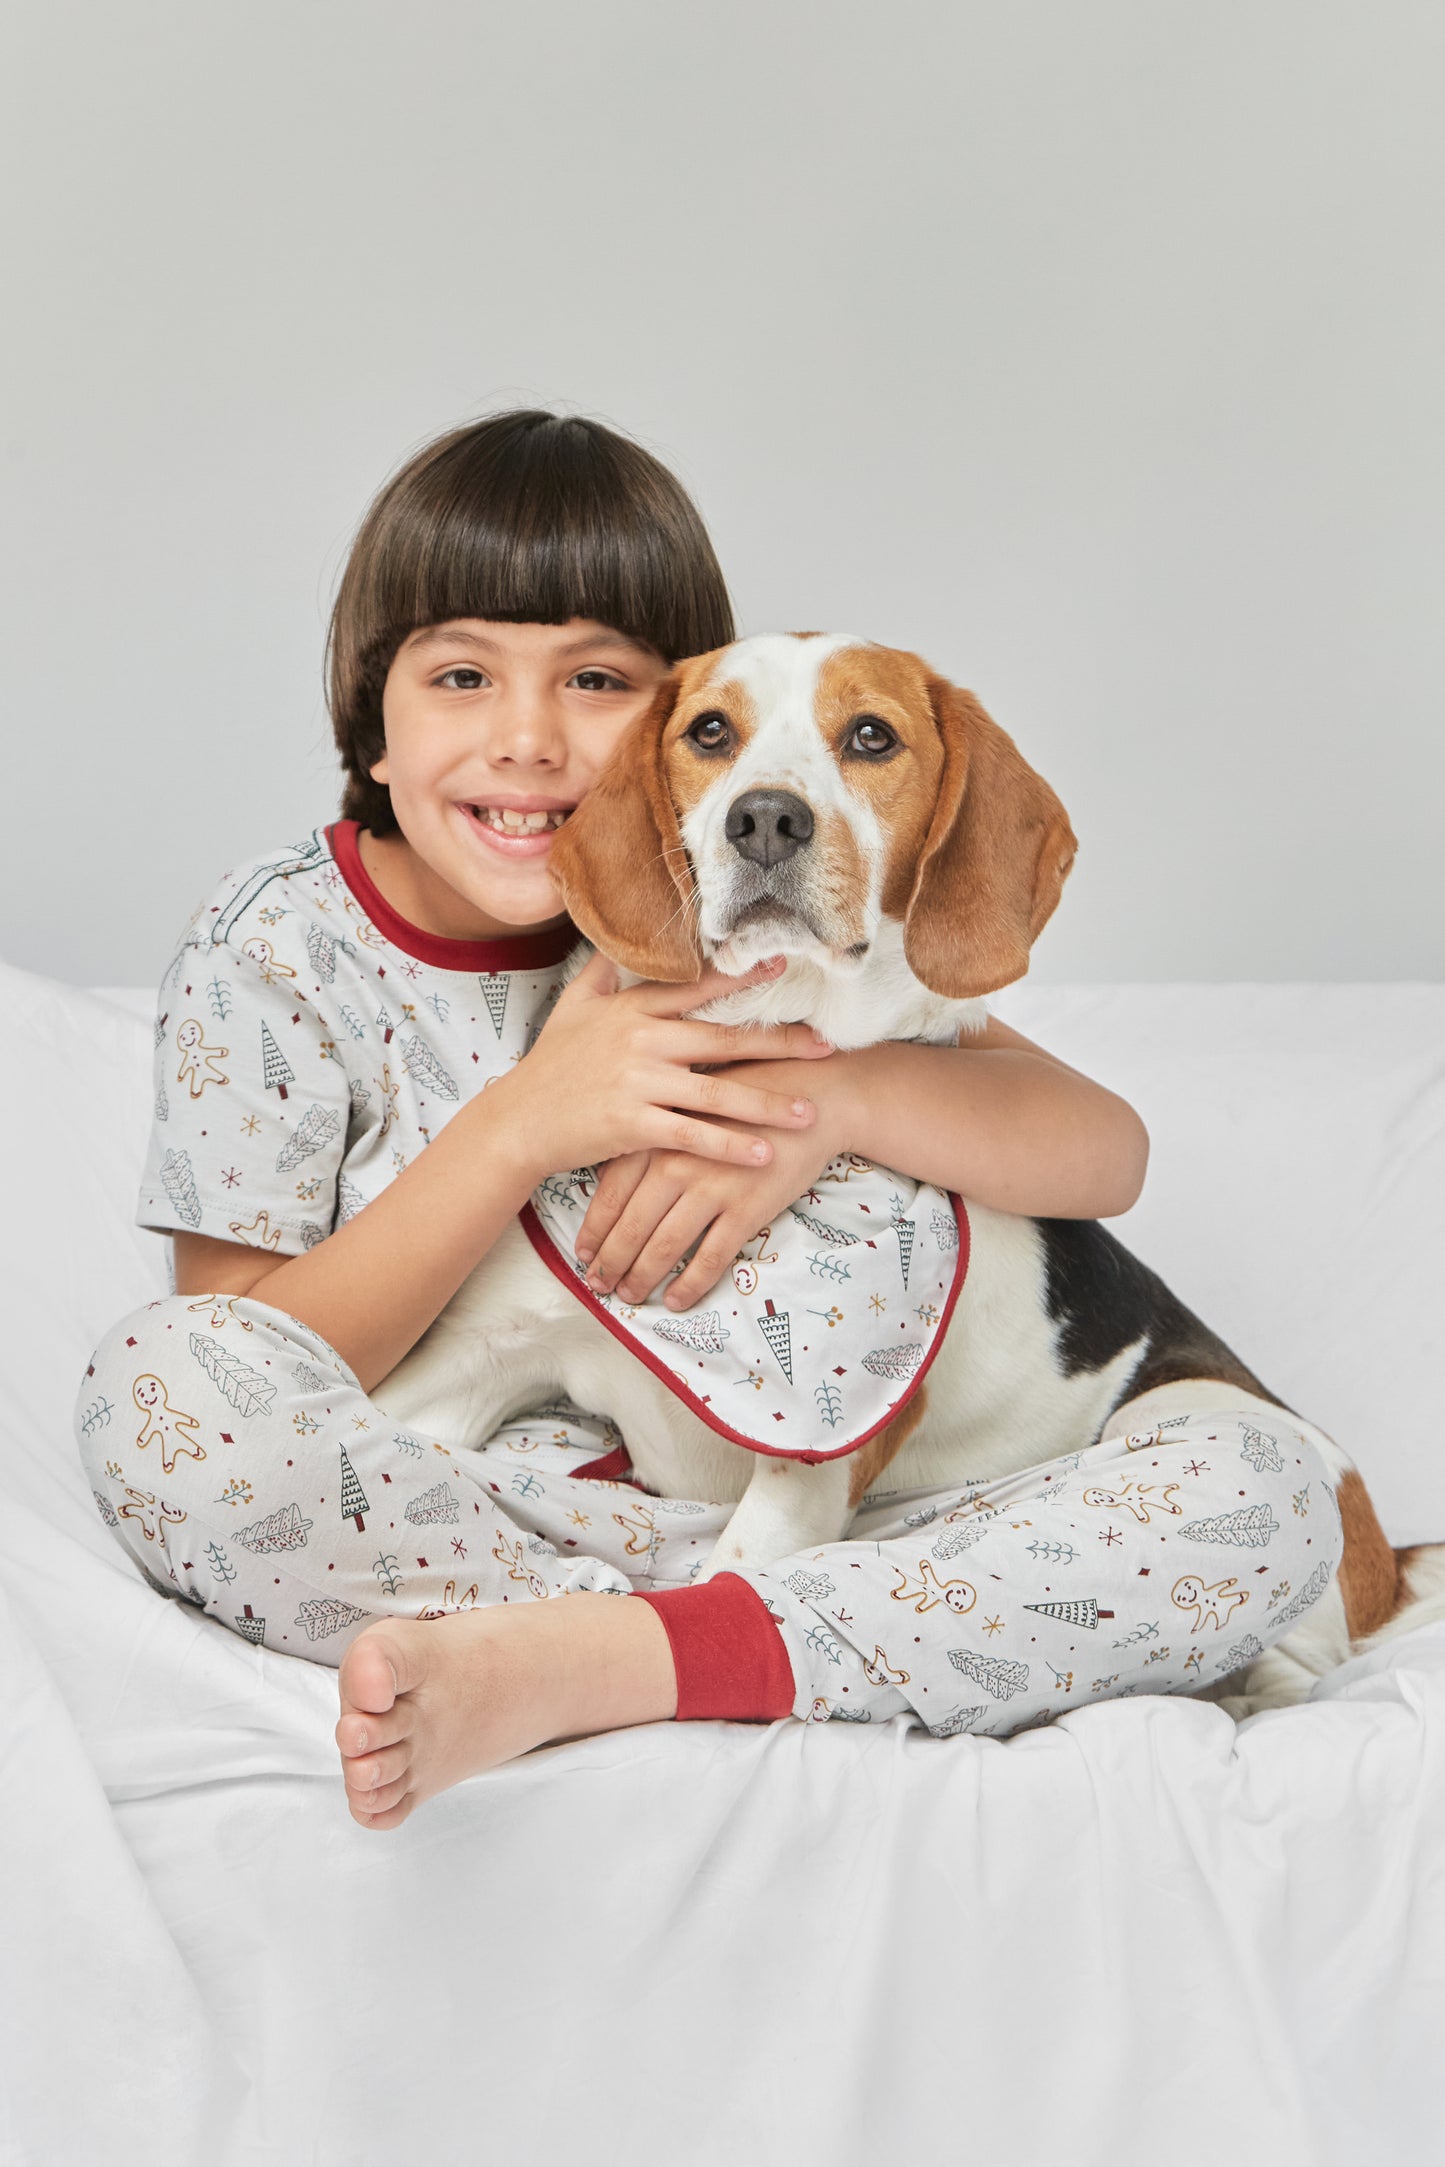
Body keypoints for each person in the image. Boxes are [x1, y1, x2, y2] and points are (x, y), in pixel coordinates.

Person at [75, 409, 1342, 1830]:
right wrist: (520, 1127)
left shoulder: (815, 994)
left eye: (601, 679)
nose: (529, 735)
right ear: (368, 724)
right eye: (459, 674)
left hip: (934, 1517)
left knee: (1266, 1486)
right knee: (164, 1392)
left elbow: (1101, 1150)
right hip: (578, 1522)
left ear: (653, 725)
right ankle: (736, 1638)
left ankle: (633, 1659)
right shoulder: (285, 951)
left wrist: (832, 1101)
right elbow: (264, 1359)